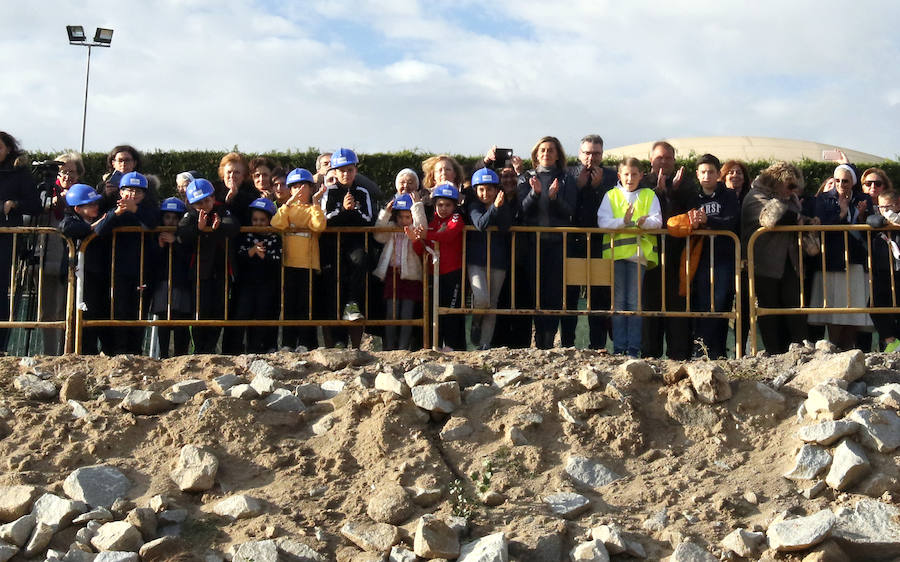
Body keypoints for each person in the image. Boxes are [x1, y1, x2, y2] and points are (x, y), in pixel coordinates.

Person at [669, 154, 740, 358]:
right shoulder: (692, 197)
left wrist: (708, 220)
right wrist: (692, 223)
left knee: (718, 304)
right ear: (697, 175)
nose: (707, 175)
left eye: (711, 172)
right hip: (698, 258)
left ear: (718, 174)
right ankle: (701, 349)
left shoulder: (728, 196)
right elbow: (679, 220)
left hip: (722, 258)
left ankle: (715, 350)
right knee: (700, 304)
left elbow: (730, 221)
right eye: (703, 172)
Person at [741, 161, 809, 354]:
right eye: (790, 185)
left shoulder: (790, 198)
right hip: (764, 264)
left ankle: (798, 351)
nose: (794, 190)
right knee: (768, 311)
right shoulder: (755, 196)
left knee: (794, 309)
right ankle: (774, 352)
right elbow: (771, 218)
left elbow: (794, 217)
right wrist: (797, 218)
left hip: (791, 262)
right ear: (778, 182)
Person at [597, 157, 661, 357]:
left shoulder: (649, 195)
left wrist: (645, 223)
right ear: (619, 176)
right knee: (618, 303)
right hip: (616, 256)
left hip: (638, 256)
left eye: (634, 174)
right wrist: (623, 222)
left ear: (641, 175)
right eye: (626, 174)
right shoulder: (611, 195)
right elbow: (602, 221)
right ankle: (619, 349)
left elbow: (657, 220)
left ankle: (633, 349)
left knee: (634, 303)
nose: (630, 178)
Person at [517, 135, 577, 348]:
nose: (546, 154)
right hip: (533, 244)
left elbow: (571, 210)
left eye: (551, 150)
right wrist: (535, 194)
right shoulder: (526, 177)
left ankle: (549, 340)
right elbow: (520, 210)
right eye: (542, 150)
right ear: (536, 154)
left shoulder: (566, 178)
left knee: (553, 294)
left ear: (558, 154)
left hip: (557, 244)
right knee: (536, 292)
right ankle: (538, 337)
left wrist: (554, 199)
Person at [809, 164, 873, 350]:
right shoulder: (823, 199)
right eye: (837, 180)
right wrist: (842, 213)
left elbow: (871, 223)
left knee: (854, 308)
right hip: (832, 260)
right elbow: (823, 226)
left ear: (852, 182)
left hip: (856, 259)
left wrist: (861, 216)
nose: (841, 184)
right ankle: (834, 346)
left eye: (845, 181)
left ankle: (848, 348)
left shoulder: (863, 198)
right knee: (834, 308)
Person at [640, 141, 694, 359]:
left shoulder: (686, 183)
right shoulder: (642, 182)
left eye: (668, 158)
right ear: (651, 159)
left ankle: (679, 356)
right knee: (649, 308)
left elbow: (687, 212)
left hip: (677, 255)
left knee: (677, 308)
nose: (664, 161)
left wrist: (671, 192)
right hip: (648, 255)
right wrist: (660, 192)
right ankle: (649, 356)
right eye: (660, 157)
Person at [319, 148, 375, 348]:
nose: (345, 174)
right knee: (334, 285)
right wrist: (343, 209)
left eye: (349, 170)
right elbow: (325, 221)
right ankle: (338, 340)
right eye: (341, 170)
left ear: (355, 170)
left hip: (355, 244)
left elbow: (369, 220)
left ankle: (356, 337)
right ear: (334, 171)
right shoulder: (330, 192)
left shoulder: (363, 192)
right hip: (332, 247)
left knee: (361, 262)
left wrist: (354, 210)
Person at [177, 178, 239, 353]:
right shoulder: (190, 216)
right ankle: (199, 348)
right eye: (199, 203)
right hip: (199, 273)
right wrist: (199, 228)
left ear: (213, 197)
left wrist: (218, 228)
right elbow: (182, 234)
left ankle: (211, 347)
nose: (204, 205)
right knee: (199, 311)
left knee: (219, 310)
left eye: (206, 200)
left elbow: (233, 226)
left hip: (221, 271)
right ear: (191, 203)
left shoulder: (222, 210)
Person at [568, 134, 617, 349]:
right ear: (580, 154)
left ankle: (598, 346)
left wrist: (598, 188)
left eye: (596, 153)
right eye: (587, 153)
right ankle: (567, 345)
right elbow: (564, 207)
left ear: (602, 154)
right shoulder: (569, 174)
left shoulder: (612, 176)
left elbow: (614, 209)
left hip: (600, 243)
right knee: (568, 299)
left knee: (599, 299)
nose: (591, 158)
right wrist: (577, 188)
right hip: (572, 243)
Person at [271, 168, 327, 351]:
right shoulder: (287, 209)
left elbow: (318, 226)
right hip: (289, 263)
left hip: (308, 264)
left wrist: (317, 202)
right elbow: (276, 223)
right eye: (294, 186)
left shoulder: (312, 209)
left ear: (311, 188)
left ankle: (305, 342)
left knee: (306, 305)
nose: (299, 190)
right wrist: (288, 204)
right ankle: (287, 343)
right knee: (289, 306)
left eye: (303, 186)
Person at [410, 183, 466, 350]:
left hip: (452, 273)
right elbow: (422, 248)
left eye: (448, 205)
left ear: (454, 206)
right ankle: (433, 345)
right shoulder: (431, 222)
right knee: (432, 311)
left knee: (451, 311)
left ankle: (451, 346)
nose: (443, 208)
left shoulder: (456, 218)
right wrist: (415, 239)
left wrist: (427, 234)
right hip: (433, 273)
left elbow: (448, 235)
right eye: (440, 204)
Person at [0, 132, 42, 351]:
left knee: (1, 293)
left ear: (8, 149)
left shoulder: (19, 173)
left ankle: (1, 346)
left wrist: (14, 204)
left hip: (5, 242)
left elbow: (35, 204)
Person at [38, 153, 83, 355]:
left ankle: (69, 352)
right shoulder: (46, 191)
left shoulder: (83, 193)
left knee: (70, 310)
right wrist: (55, 200)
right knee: (48, 311)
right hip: (47, 258)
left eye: (72, 172)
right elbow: (36, 210)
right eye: (63, 171)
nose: (67, 176)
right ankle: (49, 353)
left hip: (74, 262)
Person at [59, 184, 112, 354]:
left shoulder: (94, 219)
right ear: (77, 208)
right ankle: (79, 350)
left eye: (96, 203)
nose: (96, 207)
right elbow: (67, 228)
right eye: (91, 204)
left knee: (96, 312)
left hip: (95, 275)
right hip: (77, 277)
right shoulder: (71, 220)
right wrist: (91, 228)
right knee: (79, 315)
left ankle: (98, 350)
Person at [466, 168, 514, 350]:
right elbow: (480, 224)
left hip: (498, 261)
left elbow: (504, 226)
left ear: (496, 190)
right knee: (482, 300)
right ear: (476, 191)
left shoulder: (504, 206)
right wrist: (495, 207)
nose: (485, 193)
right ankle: (476, 322)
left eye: (489, 189)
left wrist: (499, 208)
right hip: (476, 261)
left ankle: (484, 345)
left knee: (492, 304)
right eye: (481, 189)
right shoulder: (473, 206)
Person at [373, 193, 425, 350]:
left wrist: (417, 207)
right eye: (401, 216)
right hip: (392, 274)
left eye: (408, 217)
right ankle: (389, 348)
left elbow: (423, 228)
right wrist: (386, 213)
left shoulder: (415, 231)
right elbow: (378, 235)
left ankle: (403, 348)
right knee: (391, 313)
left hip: (410, 276)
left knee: (407, 315)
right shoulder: (390, 228)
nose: (404, 220)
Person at [235, 198, 282, 353]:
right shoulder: (245, 235)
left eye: (262, 220)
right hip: (247, 284)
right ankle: (239, 348)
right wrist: (252, 251)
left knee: (262, 315)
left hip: (267, 284)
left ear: (269, 220)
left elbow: (277, 260)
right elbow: (238, 256)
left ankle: (259, 348)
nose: (258, 223)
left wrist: (264, 257)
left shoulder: (274, 237)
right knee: (243, 314)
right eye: (255, 220)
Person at [152, 197, 192, 357]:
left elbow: (189, 258)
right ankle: (163, 354)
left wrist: (175, 242)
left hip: (182, 283)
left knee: (182, 319)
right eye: (167, 217)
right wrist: (161, 247)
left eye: (175, 218)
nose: (171, 221)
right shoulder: (155, 235)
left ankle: (181, 355)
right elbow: (151, 261)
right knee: (163, 318)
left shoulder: (185, 235)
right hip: (163, 282)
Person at [866, 189, 900, 352]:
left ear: (898, 204)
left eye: (888, 206)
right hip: (882, 271)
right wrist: (885, 220)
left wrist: (895, 221)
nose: (884, 210)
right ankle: (891, 340)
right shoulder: (879, 218)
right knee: (874, 305)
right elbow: (871, 220)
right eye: (881, 207)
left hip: (898, 270)